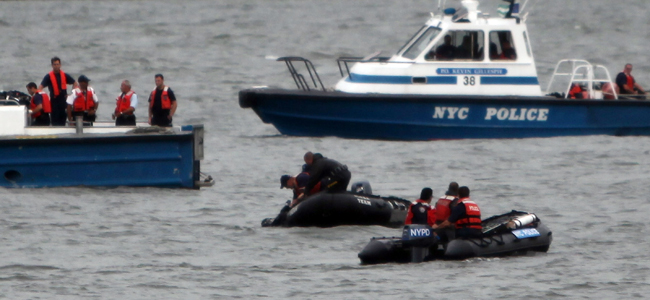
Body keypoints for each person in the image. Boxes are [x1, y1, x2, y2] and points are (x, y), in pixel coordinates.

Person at [39, 57, 77, 126]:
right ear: (52, 65)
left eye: (57, 64)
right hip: (54, 102)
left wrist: (72, 94)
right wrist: (43, 98)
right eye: (54, 64)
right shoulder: (48, 76)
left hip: (63, 101)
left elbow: (75, 83)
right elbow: (40, 87)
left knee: (63, 120)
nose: (56, 66)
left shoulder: (65, 75)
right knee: (55, 121)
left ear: (60, 65)